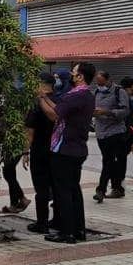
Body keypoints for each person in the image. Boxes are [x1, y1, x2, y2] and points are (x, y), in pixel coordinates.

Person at [38, 63, 96, 243]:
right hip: (76, 148)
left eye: (74, 72)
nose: (71, 74)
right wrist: (44, 96)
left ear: (80, 77)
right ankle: (78, 230)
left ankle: (67, 233)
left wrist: (40, 99)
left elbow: (54, 115)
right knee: (73, 190)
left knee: (63, 192)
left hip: (65, 149)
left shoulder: (76, 96)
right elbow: (59, 109)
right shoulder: (85, 95)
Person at [23, 72, 58, 233]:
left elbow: (29, 132)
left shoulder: (37, 103)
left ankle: (41, 223)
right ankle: (58, 219)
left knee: (42, 188)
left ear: (41, 84)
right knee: (57, 187)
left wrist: (25, 152)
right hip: (58, 151)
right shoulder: (60, 100)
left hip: (40, 151)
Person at [92, 71, 130, 203]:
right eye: (97, 83)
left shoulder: (119, 92)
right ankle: (117, 187)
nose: (99, 85)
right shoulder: (96, 92)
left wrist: (107, 112)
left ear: (109, 80)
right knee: (109, 162)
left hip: (115, 132)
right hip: (101, 132)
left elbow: (125, 111)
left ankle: (101, 189)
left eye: (102, 83)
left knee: (108, 161)